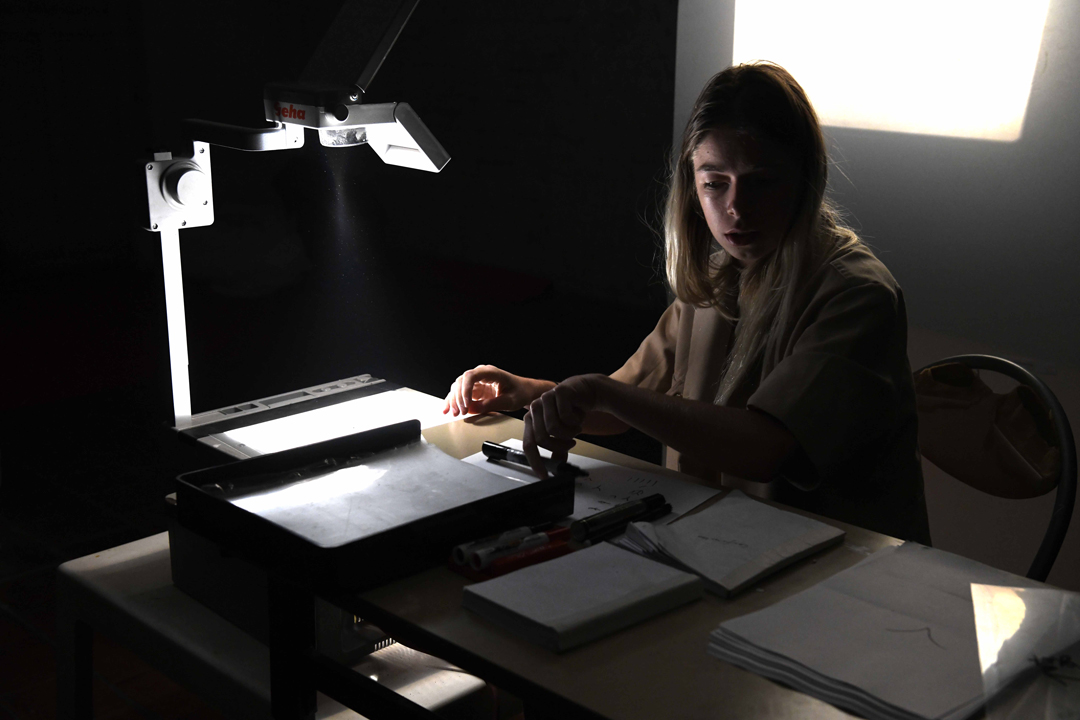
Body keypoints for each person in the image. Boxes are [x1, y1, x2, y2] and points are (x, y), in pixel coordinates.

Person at [443, 62, 930, 543]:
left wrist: (599, 393)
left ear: (805, 178)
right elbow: (622, 405)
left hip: (842, 580)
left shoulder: (857, 294)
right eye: (715, 182)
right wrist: (531, 395)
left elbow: (765, 450)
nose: (736, 207)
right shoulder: (716, 280)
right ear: (692, 185)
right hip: (725, 550)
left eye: (761, 181)